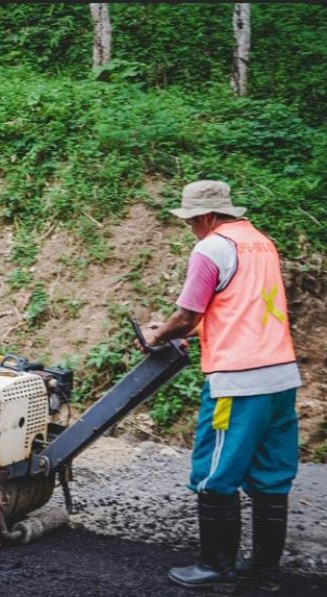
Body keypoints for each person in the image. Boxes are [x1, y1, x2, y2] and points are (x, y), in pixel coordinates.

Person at [138, 180, 301, 592]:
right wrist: (186, 332)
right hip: (280, 376)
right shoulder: (261, 242)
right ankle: (265, 571)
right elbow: (242, 310)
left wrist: (157, 335)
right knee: (271, 475)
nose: (192, 228)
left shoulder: (211, 247)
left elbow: (189, 313)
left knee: (215, 472)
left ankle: (215, 565)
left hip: (238, 380)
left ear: (206, 217)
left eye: (192, 220)